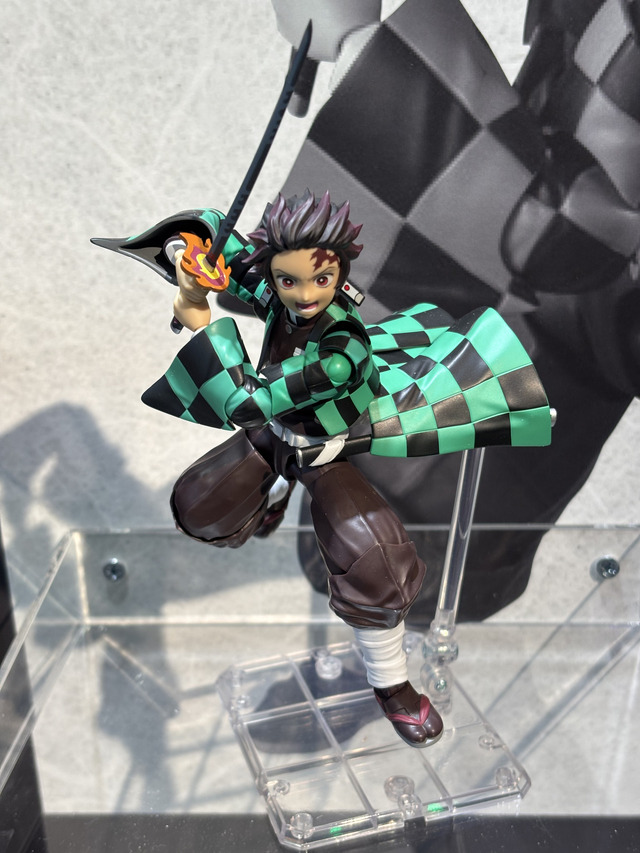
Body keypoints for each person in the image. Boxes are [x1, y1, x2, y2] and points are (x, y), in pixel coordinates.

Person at [135, 189, 551, 748]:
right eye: (289, 280)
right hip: (274, 435)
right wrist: (192, 262)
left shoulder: (341, 352)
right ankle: (274, 495)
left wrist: (199, 316)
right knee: (200, 508)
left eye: (321, 280)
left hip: (324, 447)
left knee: (377, 565)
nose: (305, 295)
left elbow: (247, 400)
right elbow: (228, 256)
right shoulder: (281, 296)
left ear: (340, 275)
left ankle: (392, 686)